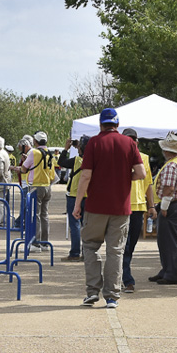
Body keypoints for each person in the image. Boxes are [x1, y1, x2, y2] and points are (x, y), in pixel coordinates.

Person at [72, 108, 146, 308]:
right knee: (115, 251)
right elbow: (141, 173)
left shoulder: (94, 143)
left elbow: (85, 176)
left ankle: (92, 291)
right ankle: (112, 296)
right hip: (121, 207)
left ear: (100, 124)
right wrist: (124, 177)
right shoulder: (129, 143)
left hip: (96, 206)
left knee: (90, 246)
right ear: (117, 124)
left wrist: (78, 203)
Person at [149, 132, 177, 285]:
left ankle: (171, 273)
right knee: (167, 240)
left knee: (169, 241)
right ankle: (166, 270)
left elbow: (168, 189)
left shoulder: (172, 165)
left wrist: (164, 207)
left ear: (167, 150)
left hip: (171, 205)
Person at [121, 128, 156, 292]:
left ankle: (122, 273)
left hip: (138, 206)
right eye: (128, 138)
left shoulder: (144, 158)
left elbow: (148, 183)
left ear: (137, 141)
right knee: (124, 245)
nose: (131, 141)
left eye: (133, 139)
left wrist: (151, 206)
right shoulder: (117, 156)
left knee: (131, 245)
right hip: (120, 206)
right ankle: (127, 279)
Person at [17, 130, 56, 249]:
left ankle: (35, 242)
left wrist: (25, 161)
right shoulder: (50, 153)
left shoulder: (34, 152)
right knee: (45, 215)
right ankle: (45, 242)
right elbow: (53, 174)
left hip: (36, 186)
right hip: (47, 186)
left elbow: (24, 169)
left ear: (35, 141)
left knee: (36, 215)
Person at [58, 137, 88, 261]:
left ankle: (75, 253)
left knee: (74, 225)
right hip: (88, 196)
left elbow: (61, 162)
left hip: (74, 195)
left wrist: (66, 148)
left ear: (79, 148)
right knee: (86, 225)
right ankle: (86, 254)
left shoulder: (76, 160)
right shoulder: (94, 161)